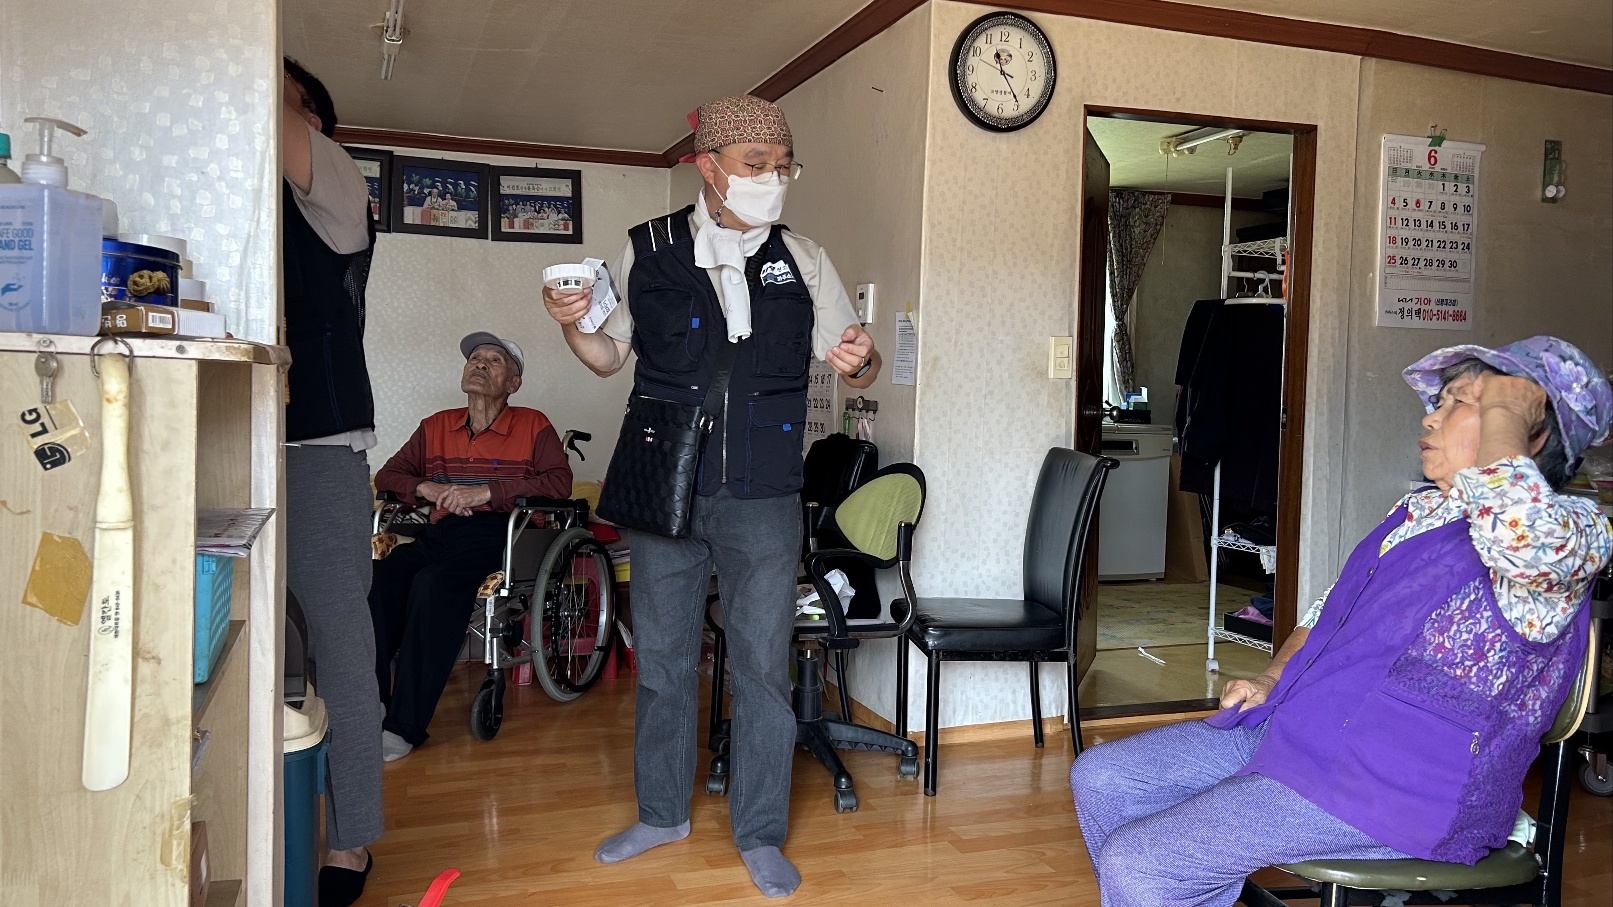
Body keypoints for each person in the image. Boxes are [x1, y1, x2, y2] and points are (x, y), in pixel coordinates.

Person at [1070, 335, 1613, 907]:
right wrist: (1273, 677)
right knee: (1104, 777)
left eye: (1461, 402)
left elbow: (1521, 537)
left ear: (1531, 431)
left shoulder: (1572, 534)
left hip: (1401, 786)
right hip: (1307, 731)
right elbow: (1329, 607)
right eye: (1440, 401)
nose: (1431, 417)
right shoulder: (1419, 510)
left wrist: (1508, 409)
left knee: (1143, 862)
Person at [541, 94, 879, 899]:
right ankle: (661, 813)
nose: (771, 179)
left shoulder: (804, 258)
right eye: (755, 165)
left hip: (764, 494)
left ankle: (759, 831)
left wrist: (862, 358)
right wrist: (567, 322)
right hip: (667, 483)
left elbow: (854, 362)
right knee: (662, 662)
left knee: (761, 668)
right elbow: (604, 356)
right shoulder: (646, 249)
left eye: (782, 166)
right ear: (708, 167)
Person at [370, 334, 573, 762]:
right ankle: (370, 708)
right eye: (475, 358)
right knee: (380, 578)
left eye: (494, 360)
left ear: (513, 384)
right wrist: (425, 487)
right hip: (442, 533)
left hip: (502, 536)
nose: (480, 364)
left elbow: (559, 484)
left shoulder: (533, 425)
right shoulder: (435, 426)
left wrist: (486, 493)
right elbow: (388, 476)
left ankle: (403, 726)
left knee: (432, 585)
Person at [281, 56, 383, 907]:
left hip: (318, 445)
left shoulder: (335, 174)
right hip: (239, 436)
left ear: (311, 116)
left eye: (284, 97)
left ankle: (350, 838)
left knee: (340, 649)